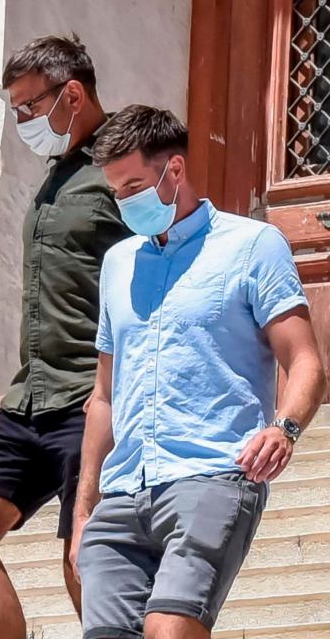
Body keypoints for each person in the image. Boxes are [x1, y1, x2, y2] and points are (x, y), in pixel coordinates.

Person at [73, 104, 327, 639]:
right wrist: (83, 512)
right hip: (122, 495)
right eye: (116, 193)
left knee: (170, 630)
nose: (124, 203)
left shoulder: (252, 245)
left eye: (134, 187)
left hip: (211, 475)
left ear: (175, 171)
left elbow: (306, 361)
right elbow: (103, 397)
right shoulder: (118, 263)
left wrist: (284, 429)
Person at [0, 35, 129, 639]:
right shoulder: (56, 173)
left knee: (83, 558)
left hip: (92, 396)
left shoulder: (126, 164)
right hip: (32, 399)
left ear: (72, 94)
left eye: (27, 108)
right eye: (12, 109)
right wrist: (22, 385)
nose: (20, 122)